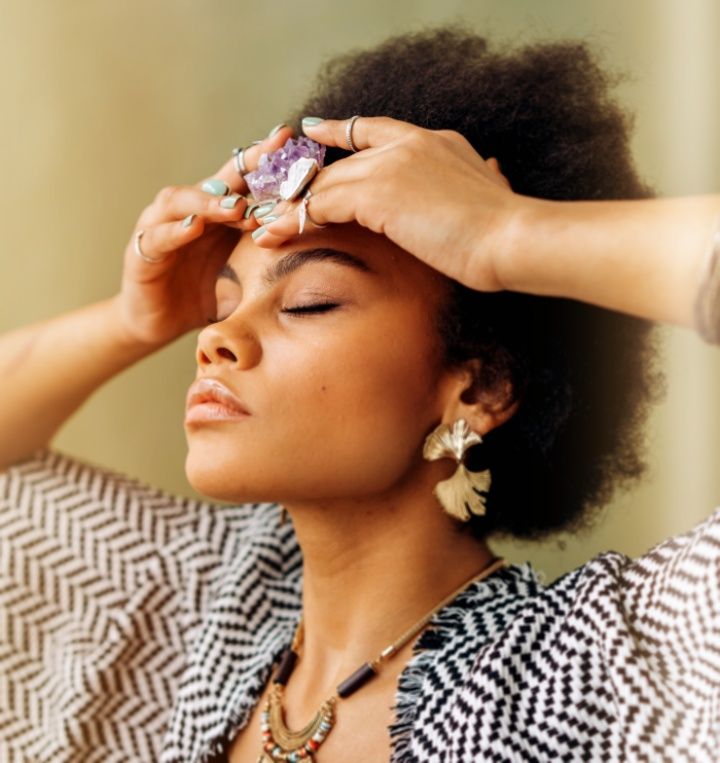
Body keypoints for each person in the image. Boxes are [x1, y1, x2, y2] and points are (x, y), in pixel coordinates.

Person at [1, 27, 718, 763]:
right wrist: (134, 319)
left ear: (479, 385)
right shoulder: (200, 603)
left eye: (309, 302)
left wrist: (508, 233)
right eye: (222, 305)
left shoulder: (598, 666)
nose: (216, 341)